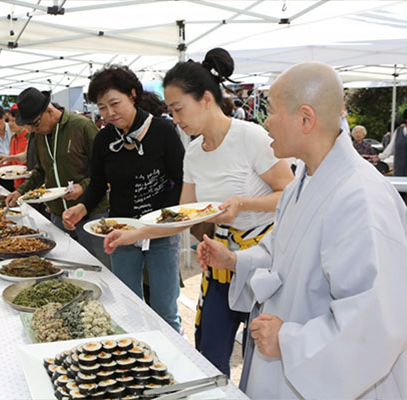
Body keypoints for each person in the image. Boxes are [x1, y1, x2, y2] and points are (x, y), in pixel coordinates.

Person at [196, 62, 407, 399]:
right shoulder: (302, 181)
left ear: (306, 119)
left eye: (273, 111)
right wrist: (235, 261)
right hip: (282, 360)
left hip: (332, 379)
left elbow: (375, 320)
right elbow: (277, 251)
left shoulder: (360, 198)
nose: (265, 122)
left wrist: (291, 341)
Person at [103, 48, 293, 375]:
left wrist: (243, 204)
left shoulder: (251, 137)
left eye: (178, 109)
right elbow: (182, 215)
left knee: (262, 364)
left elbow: (289, 194)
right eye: (171, 111)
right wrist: (134, 233)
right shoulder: (194, 153)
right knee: (208, 355)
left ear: (206, 99)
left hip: (265, 264)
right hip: (220, 261)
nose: (175, 119)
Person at [62, 66, 186, 331]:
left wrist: (165, 221)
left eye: (114, 104)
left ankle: (174, 364)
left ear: (133, 95)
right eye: (102, 107)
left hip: (160, 233)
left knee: (165, 309)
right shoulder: (104, 139)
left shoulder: (162, 130)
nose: (109, 113)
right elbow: (97, 185)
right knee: (128, 305)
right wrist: (81, 208)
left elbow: (180, 180)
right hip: (120, 231)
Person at [5, 87, 110, 267]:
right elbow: (40, 170)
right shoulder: (39, 135)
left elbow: (105, 169)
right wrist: (20, 191)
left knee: (101, 267)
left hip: (90, 213)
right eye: (29, 127)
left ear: (49, 111)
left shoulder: (82, 126)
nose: (34, 130)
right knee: (64, 266)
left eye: (36, 124)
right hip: (58, 216)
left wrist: (83, 187)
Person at [0, 105, 29, 189]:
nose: (10, 124)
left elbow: (26, 157)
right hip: (16, 184)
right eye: (9, 120)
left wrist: (8, 158)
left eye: (13, 121)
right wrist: (2, 166)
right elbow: (12, 162)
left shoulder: (29, 137)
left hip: (28, 183)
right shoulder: (13, 138)